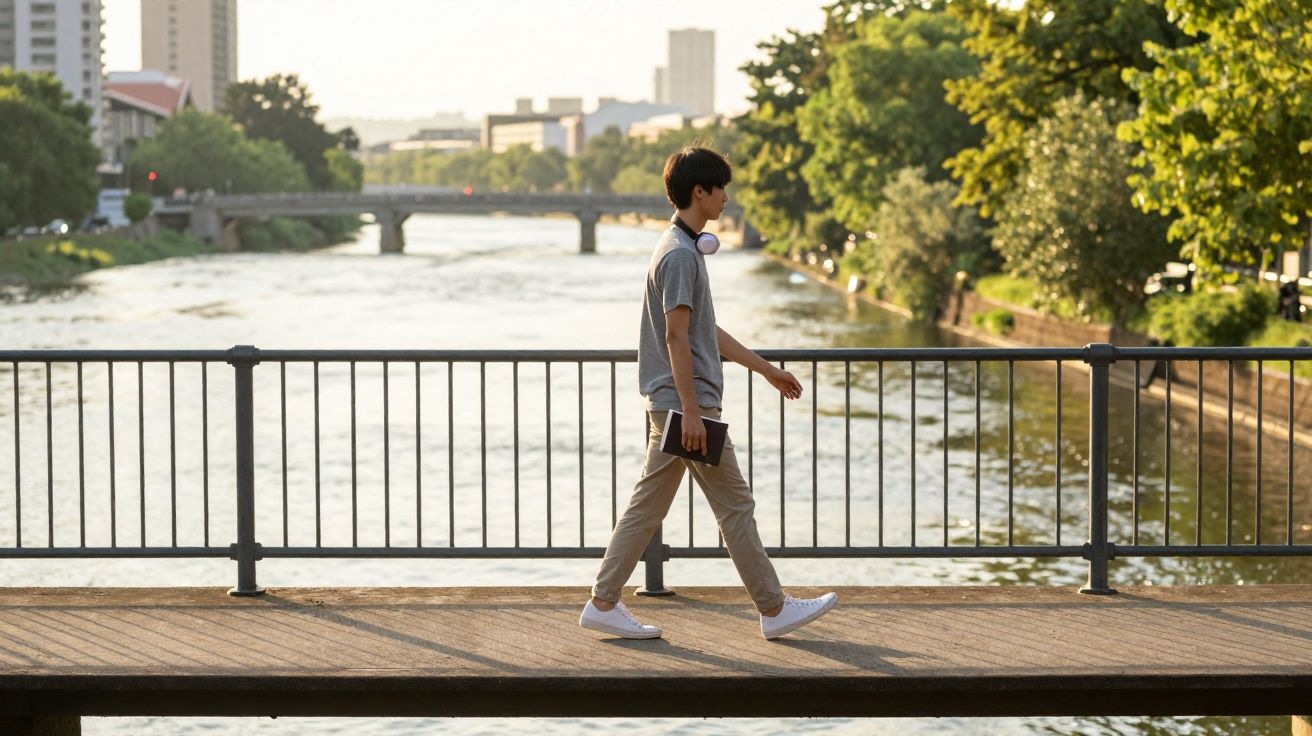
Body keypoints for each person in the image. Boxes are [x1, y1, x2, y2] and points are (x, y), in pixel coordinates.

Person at [578, 146, 838, 641]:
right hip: (686, 406)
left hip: (674, 404)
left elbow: (705, 331)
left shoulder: (679, 245)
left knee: (648, 507)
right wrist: (693, 412)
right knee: (734, 505)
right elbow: (676, 338)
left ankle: (604, 601)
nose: (726, 198)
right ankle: (774, 608)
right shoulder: (680, 255)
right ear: (699, 191)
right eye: (721, 189)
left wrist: (766, 370)